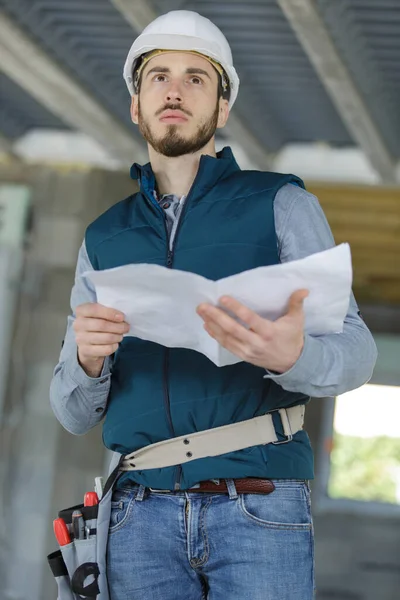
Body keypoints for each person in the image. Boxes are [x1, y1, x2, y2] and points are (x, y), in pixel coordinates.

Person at [50, 10, 377, 600]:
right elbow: (72, 414)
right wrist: (87, 360)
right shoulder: (102, 237)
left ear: (222, 109)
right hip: (136, 516)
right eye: (159, 77)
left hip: (259, 505)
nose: (175, 90)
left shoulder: (280, 203)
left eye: (196, 78)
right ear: (136, 105)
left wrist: (294, 355)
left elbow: (357, 353)